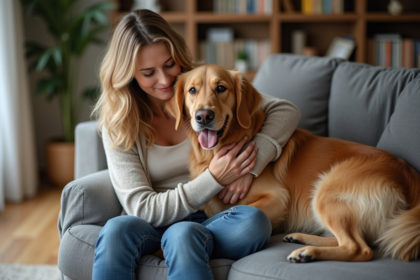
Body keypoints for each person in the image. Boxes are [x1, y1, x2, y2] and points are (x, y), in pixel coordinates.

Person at [91, 9, 300, 280]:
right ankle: (179, 243)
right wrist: (214, 178)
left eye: (169, 64)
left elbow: (286, 110)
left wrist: (251, 165)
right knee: (117, 229)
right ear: (128, 74)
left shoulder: (200, 83)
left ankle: (183, 243)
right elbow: (141, 209)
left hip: (214, 221)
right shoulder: (119, 123)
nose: (165, 80)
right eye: (148, 73)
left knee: (253, 222)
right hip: (152, 224)